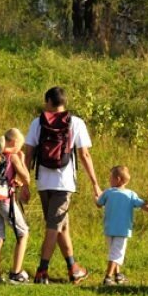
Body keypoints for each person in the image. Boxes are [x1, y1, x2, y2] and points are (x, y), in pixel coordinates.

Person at [23, 87, 101, 284]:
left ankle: (73, 267)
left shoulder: (37, 123)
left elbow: (28, 154)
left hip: (43, 182)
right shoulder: (76, 123)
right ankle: (42, 271)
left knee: (60, 226)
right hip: (64, 183)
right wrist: (95, 184)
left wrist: (24, 183)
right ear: (64, 102)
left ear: (49, 101)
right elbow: (84, 155)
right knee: (54, 226)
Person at [95, 165, 148, 286]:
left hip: (109, 229)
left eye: (111, 178)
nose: (109, 180)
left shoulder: (108, 192)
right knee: (116, 253)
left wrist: (96, 197)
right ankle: (108, 277)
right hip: (122, 230)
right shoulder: (130, 194)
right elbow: (143, 205)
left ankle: (117, 275)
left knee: (113, 252)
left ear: (118, 179)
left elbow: (98, 204)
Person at [0, 128, 32, 285]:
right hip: (5, 200)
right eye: (20, 145)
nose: (21, 148)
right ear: (13, 142)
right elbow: (27, 178)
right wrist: (22, 159)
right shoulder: (12, 156)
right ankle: (16, 272)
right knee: (23, 232)